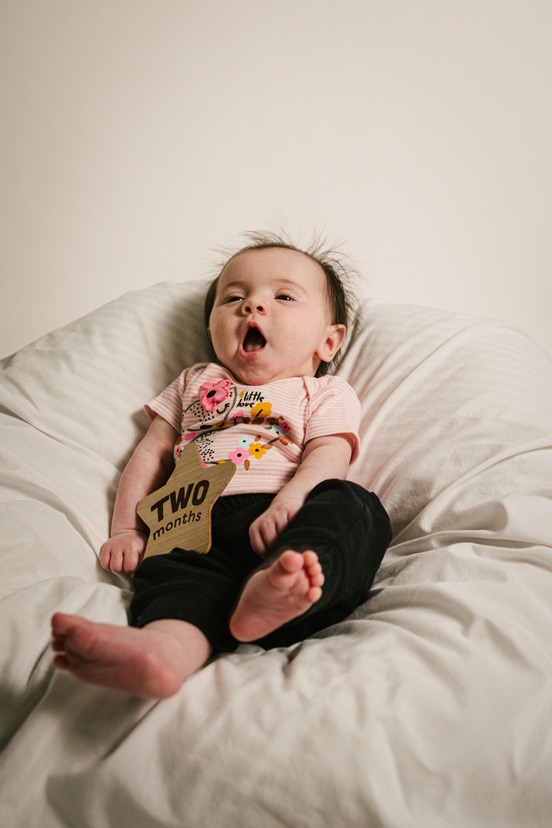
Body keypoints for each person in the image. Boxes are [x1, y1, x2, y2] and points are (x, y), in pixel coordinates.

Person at [51, 234, 392, 698]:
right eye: (233, 298)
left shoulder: (323, 392)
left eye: (283, 297)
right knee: (177, 582)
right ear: (212, 331)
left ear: (328, 341)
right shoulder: (194, 381)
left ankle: (281, 585)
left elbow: (329, 454)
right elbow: (151, 453)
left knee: (356, 506)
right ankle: (164, 652)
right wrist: (126, 529)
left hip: (280, 520)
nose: (253, 306)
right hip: (187, 520)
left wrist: (293, 501)